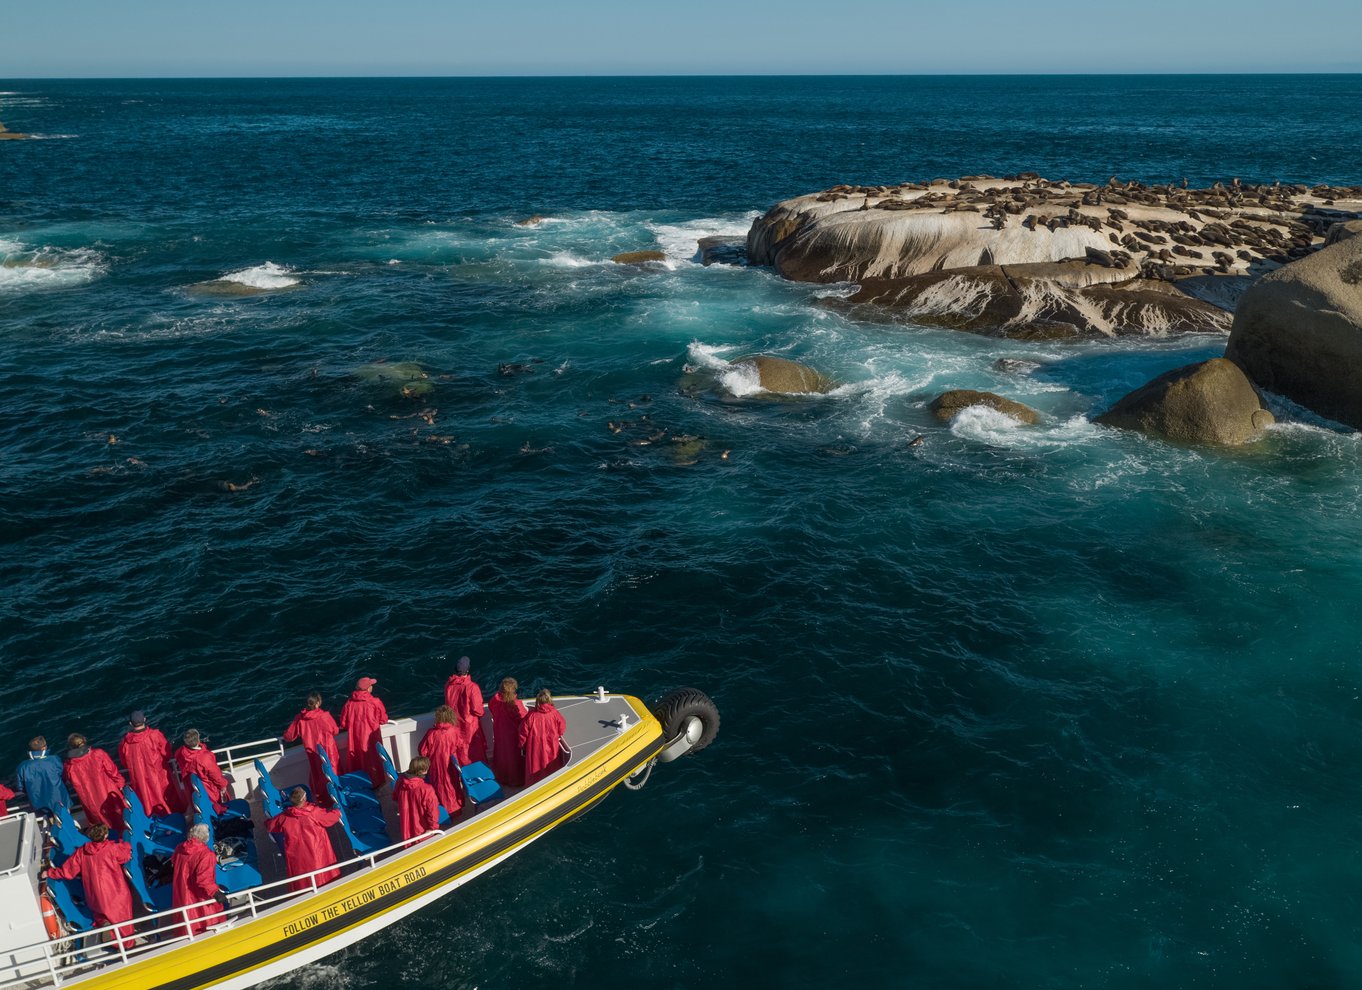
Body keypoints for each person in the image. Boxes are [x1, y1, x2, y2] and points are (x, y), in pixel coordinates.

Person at [46, 823, 138, 948]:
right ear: (105, 835)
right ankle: (128, 945)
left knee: (100, 913)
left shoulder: (81, 852)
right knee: (123, 919)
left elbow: (68, 872)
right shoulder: (111, 849)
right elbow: (126, 856)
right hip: (115, 893)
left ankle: (105, 925)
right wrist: (125, 843)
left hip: (94, 896)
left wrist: (50, 872)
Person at [266, 788, 342, 893]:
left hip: (297, 855)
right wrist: (337, 811)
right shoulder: (313, 812)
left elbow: (270, 825)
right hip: (316, 851)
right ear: (304, 798)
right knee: (322, 875)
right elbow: (330, 818)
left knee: (302, 879)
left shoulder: (284, 817)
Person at [118, 711, 184, 816]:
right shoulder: (155, 735)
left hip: (140, 779)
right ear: (145, 719)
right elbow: (166, 753)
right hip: (159, 775)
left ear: (131, 723)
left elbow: (124, 763)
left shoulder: (125, 743)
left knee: (147, 801)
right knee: (168, 798)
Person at [282, 693, 341, 808]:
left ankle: (323, 799)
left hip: (312, 751)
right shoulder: (325, 716)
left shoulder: (300, 718)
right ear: (318, 703)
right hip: (328, 749)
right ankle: (336, 796)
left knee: (318, 775)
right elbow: (335, 730)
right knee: (332, 771)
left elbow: (289, 736)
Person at [170, 823, 226, 937]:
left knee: (187, 924)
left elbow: (173, 861)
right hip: (200, 897)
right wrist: (216, 893)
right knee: (207, 923)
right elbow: (204, 880)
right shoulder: (206, 854)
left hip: (182, 894)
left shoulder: (180, 848)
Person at [63, 734, 127, 832]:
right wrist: (121, 784)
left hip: (90, 800)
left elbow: (67, 779)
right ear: (84, 742)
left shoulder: (69, 766)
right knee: (120, 817)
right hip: (108, 792)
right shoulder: (98, 754)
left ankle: (110, 841)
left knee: (101, 823)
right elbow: (113, 771)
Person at [339, 677, 389, 789]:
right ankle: (376, 782)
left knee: (358, 760)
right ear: (368, 688)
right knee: (373, 759)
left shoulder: (349, 703)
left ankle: (361, 782)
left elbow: (343, 723)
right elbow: (384, 719)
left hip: (355, 738)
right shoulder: (375, 702)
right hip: (371, 738)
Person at [417, 706, 464, 818]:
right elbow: (460, 744)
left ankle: (443, 811)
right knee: (453, 785)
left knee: (440, 787)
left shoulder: (431, 733)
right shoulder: (455, 731)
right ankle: (455, 809)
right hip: (450, 764)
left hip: (436, 765)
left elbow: (422, 751)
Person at [174, 730, 231, 815]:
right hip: (207, 788)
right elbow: (215, 775)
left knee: (201, 805)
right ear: (198, 739)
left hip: (192, 787)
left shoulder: (181, 752)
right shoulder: (204, 757)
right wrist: (223, 785)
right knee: (215, 805)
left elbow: (177, 756)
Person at [443, 656, 487, 765]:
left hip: (454, 724)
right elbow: (478, 710)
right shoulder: (472, 687)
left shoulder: (448, 685)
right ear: (468, 670)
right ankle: (475, 776)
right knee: (472, 753)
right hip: (469, 727)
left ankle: (463, 775)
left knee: (459, 752)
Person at [520, 689, 567, 785]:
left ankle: (533, 787)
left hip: (535, 748)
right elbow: (562, 726)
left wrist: (523, 746)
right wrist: (558, 735)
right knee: (551, 768)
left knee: (535, 768)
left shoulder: (531, 716)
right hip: (552, 746)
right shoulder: (555, 714)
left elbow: (523, 733)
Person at [15, 736, 69, 815]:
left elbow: (20, 787)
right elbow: (63, 775)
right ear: (44, 747)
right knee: (66, 819)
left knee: (47, 822)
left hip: (38, 803)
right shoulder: (54, 759)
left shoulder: (22, 767)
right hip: (60, 798)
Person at [488, 677, 527, 787]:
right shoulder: (515, 705)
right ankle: (516, 781)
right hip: (512, 736)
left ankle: (502, 777)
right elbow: (523, 720)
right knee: (513, 759)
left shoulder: (495, 700)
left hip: (499, 732)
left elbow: (491, 708)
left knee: (502, 755)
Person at [392, 756, 439, 845]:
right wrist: (432, 828)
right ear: (423, 771)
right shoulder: (427, 789)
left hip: (406, 823)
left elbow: (395, 797)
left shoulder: (401, 780)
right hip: (422, 827)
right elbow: (432, 812)